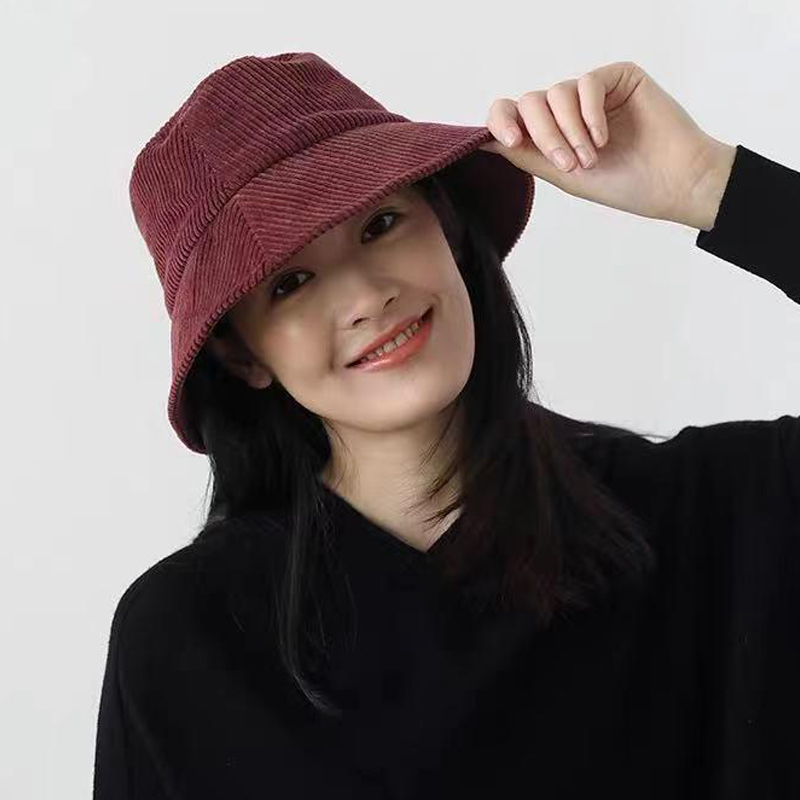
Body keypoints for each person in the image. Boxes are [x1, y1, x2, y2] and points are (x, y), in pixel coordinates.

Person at [94, 55, 800, 799]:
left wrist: (710, 185)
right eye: (291, 283)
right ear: (242, 355)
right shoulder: (188, 642)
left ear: (449, 230)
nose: (367, 297)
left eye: (381, 224)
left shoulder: (706, 515)